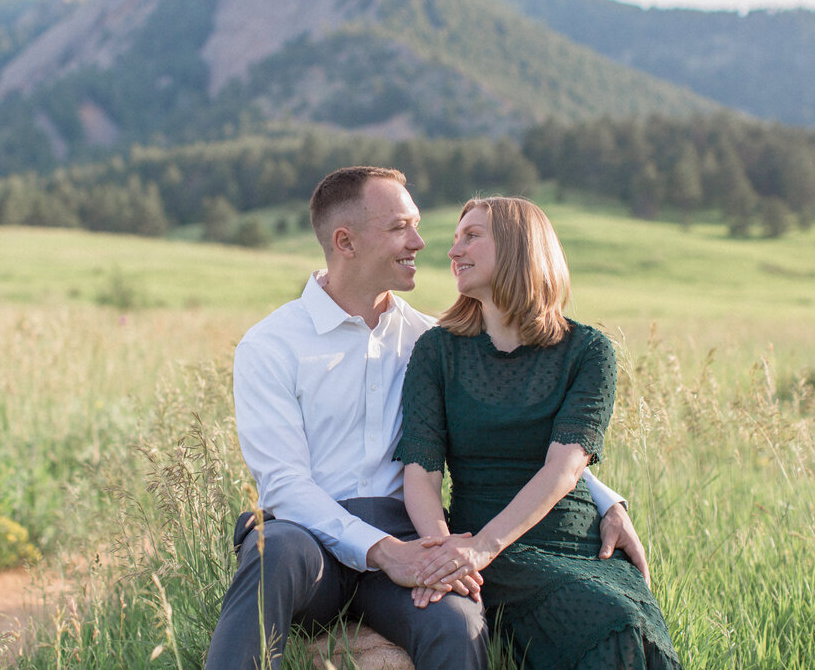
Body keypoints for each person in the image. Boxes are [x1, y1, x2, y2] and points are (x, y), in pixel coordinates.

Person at [205, 168, 650, 670]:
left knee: (458, 622)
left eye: (416, 225)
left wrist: (604, 498)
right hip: (311, 547)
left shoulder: (430, 341)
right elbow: (284, 485)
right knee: (272, 549)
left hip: (415, 539)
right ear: (345, 241)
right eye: (399, 228)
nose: (420, 241)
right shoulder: (271, 344)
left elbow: (518, 434)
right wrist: (383, 551)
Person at [394, 196, 680, 668]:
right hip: (485, 543)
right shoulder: (437, 351)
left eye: (471, 236)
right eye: (454, 239)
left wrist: (481, 549)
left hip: (580, 547)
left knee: (624, 621)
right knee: (606, 621)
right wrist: (448, 553)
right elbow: (421, 473)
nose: (452, 251)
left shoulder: (588, 351)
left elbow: (565, 468)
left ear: (518, 247)